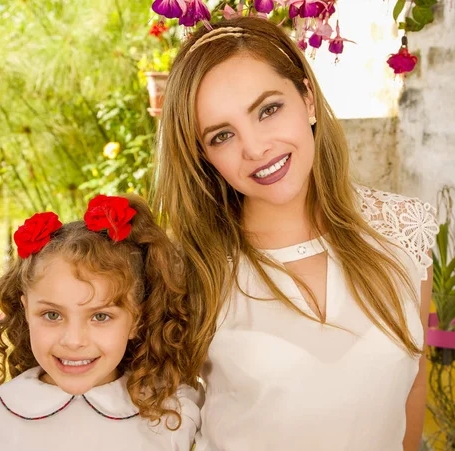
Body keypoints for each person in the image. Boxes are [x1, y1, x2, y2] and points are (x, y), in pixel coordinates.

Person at [153, 16, 438, 451]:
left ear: (307, 98)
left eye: (268, 110)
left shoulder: (405, 230)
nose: (254, 147)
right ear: (203, 156)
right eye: (222, 135)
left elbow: (412, 382)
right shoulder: (193, 270)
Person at [0, 194, 201, 450]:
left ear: (137, 320)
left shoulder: (172, 418)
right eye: (52, 315)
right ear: (26, 311)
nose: (73, 340)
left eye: (100, 316)